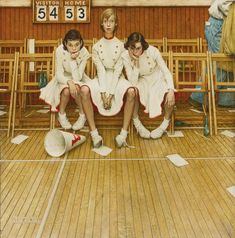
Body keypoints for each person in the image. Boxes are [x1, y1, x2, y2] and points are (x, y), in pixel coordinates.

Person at [80, 8, 136, 148]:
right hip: (101, 78)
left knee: (131, 92)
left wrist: (110, 96)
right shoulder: (96, 46)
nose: (108, 24)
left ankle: (123, 134)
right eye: (105, 21)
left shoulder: (122, 46)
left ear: (116, 24)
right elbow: (101, 71)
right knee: (85, 90)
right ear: (102, 24)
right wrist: (103, 94)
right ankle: (94, 134)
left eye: (111, 21)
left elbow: (117, 71)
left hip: (117, 78)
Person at [122, 32, 175, 139]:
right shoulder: (125, 56)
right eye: (132, 48)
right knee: (132, 91)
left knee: (169, 94)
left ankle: (163, 126)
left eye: (138, 48)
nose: (136, 51)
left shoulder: (152, 50)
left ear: (143, 45)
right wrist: (136, 63)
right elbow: (133, 82)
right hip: (141, 80)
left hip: (157, 78)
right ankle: (138, 125)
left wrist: (171, 90)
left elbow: (166, 72)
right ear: (128, 47)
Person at [40, 29, 90, 130]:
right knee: (66, 91)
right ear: (65, 44)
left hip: (78, 77)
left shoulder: (84, 52)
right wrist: (68, 82)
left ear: (81, 43)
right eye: (70, 45)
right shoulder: (59, 50)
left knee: (76, 87)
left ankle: (82, 115)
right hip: (63, 78)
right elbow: (58, 74)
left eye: (77, 44)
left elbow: (78, 77)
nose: (74, 48)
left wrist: (73, 60)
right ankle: (61, 115)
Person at [190, 0, 235, 107]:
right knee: (221, 62)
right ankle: (198, 98)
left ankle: (226, 101)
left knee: (227, 63)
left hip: (221, 25)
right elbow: (222, 4)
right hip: (219, 25)